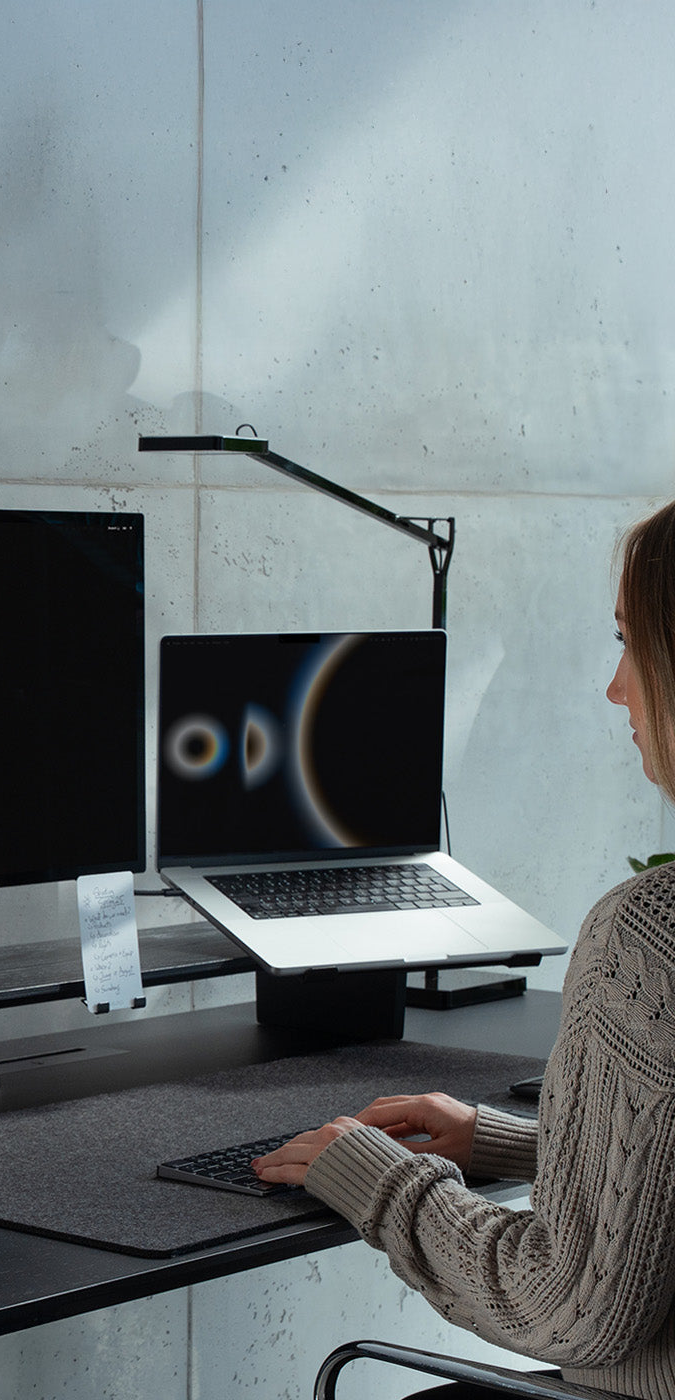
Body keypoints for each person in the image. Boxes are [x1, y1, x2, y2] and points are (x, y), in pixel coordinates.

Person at [252, 499, 675, 1400]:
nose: (615, 688)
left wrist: (381, 1179)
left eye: (630, 644)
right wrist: (523, 1143)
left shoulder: (650, 939)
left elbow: (572, 1306)